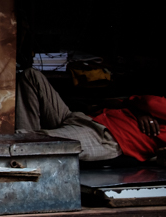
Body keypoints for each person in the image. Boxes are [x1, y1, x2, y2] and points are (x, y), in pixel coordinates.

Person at [18, 68, 164, 161]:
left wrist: (137, 108)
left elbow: (150, 103)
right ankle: (25, 156)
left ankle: (24, 146)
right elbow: (108, 102)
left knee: (26, 141)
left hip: (102, 135)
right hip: (84, 119)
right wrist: (138, 112)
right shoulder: (140, 109)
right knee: (31, 76)